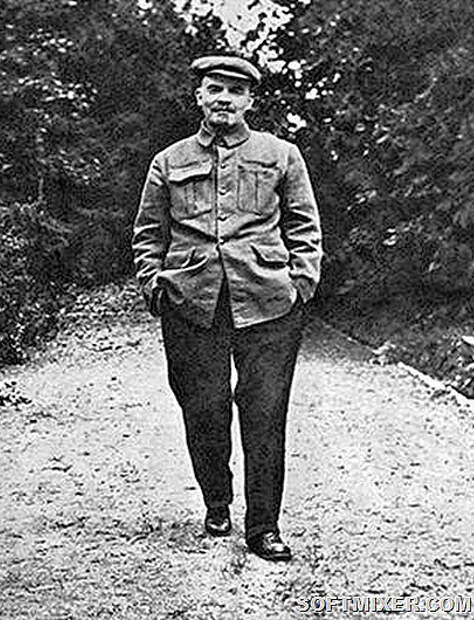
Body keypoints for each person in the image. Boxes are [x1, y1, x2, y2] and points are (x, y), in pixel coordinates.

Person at [132, 54, 322, 561]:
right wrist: (154, 285)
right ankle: (217, 500)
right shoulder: (168, 161)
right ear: (199, 96)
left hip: (268, 302)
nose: (224, 99)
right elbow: (148, 233)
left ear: (250, 101)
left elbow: (305, 227)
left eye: (236, 91)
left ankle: (263, 526)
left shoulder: (281, 155)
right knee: (204, 409)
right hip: (192, 301)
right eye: (215, 89)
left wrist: (300, 284)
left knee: (265, 413)